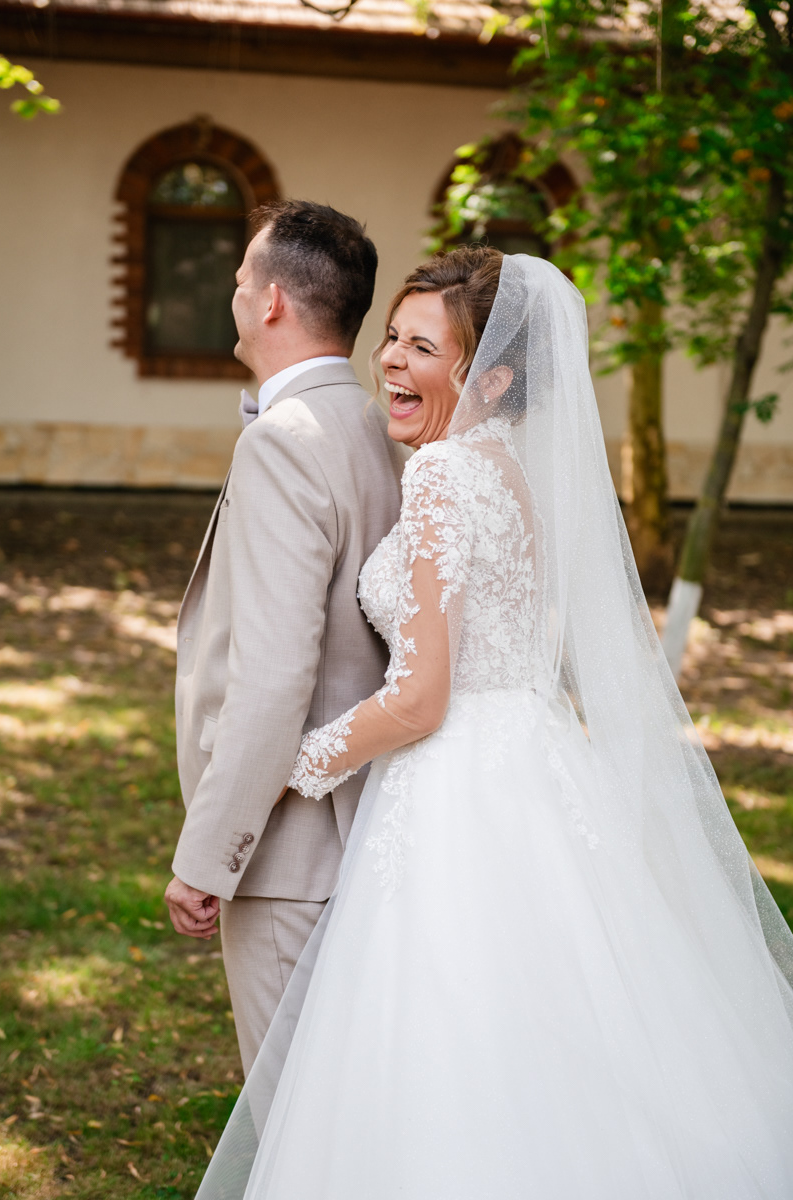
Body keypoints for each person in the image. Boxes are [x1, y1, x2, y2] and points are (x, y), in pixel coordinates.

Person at [195, 248, 793, 1199]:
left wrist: (290, 765)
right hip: (538, 761)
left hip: (455, 783)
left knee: (449, 1024)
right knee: (565, 1019)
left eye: (423, 348)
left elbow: (421, 695)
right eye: (393, 337)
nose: (392, 360)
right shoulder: (514, 469)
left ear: (492, 376)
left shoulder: (440, 475)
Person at [165, 200, 402, 1077]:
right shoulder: (377, 427)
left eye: (238, 280)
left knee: (294, 1116)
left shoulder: (286, 441)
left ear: (270, 301)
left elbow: (272, 681)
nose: (233, 295)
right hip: (367, 826)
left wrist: (207, 858)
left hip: (291, 854)